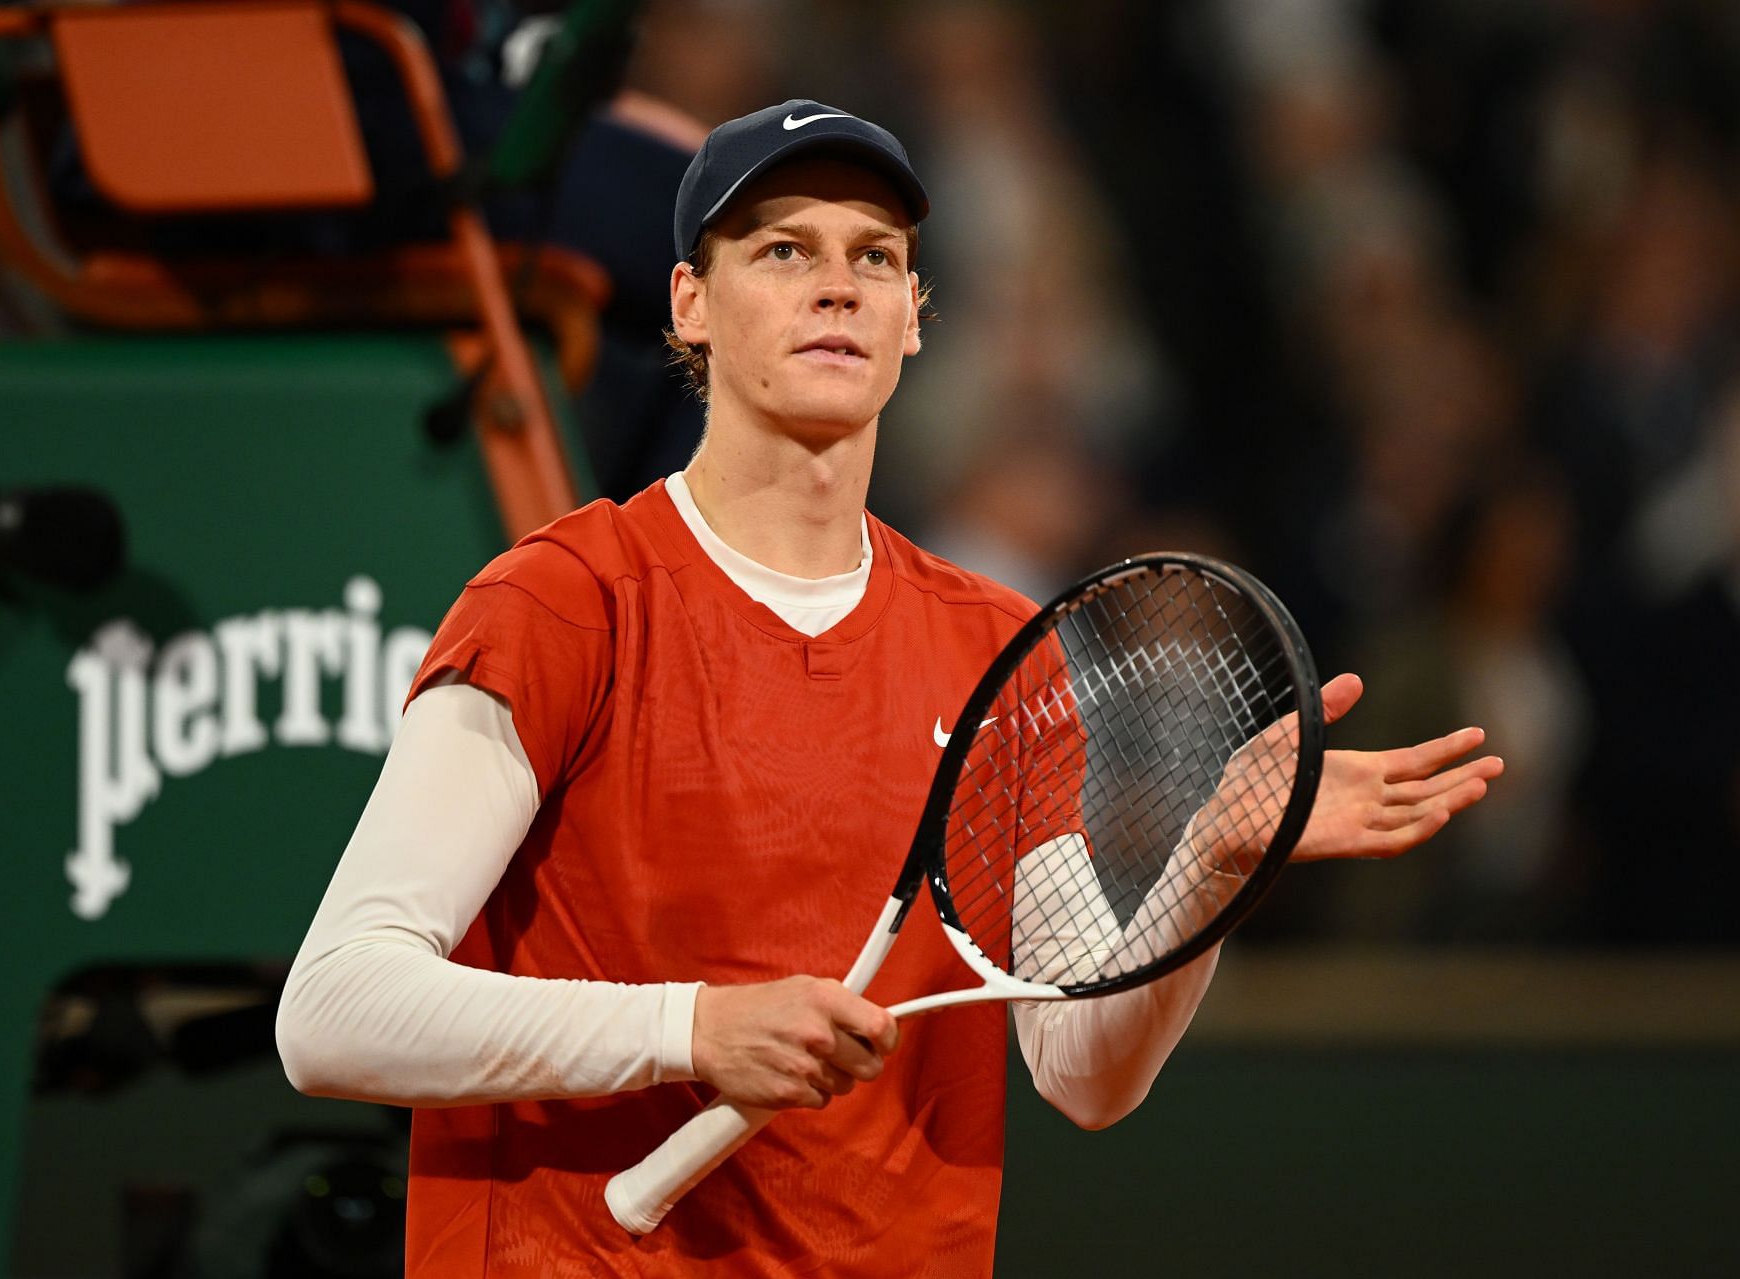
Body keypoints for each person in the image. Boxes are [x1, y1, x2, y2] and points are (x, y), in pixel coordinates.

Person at [275, 99, 1504, 1277]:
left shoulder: (998, 651)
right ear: (691, 306)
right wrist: (691, 1030)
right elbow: (333, 1010)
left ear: (913, 317)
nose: (836, 284)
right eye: (781, 250)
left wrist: (1210, 872)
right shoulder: (560, 602)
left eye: (876, 256)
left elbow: (1082, 1072)